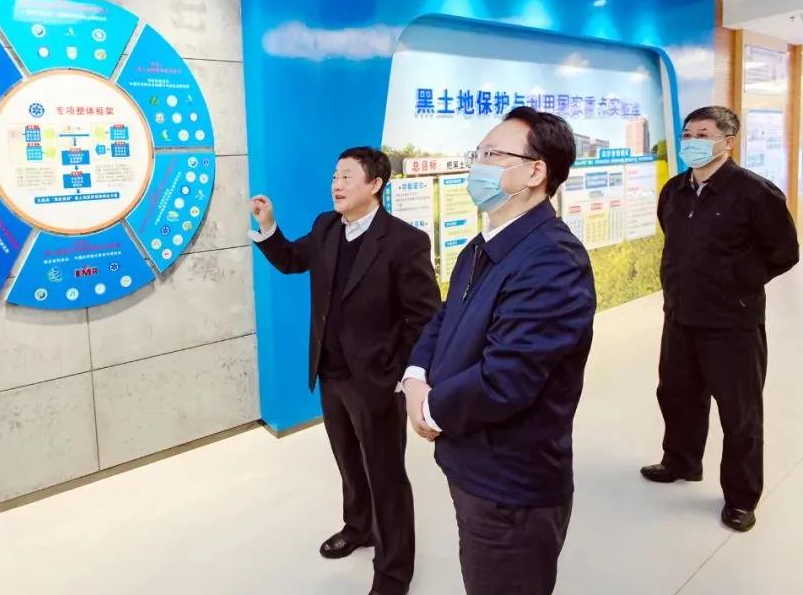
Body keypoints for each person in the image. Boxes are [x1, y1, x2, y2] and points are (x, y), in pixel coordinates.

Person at [403, 107, 596, 595]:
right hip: (473, 462)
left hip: (511, 487)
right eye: (478, 153)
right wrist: (414, 375)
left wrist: (429, 409)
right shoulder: (484, 244)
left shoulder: (552, 261)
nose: (478, 165)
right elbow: (445, 316)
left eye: (492, 154)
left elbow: (506, 378)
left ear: (535, 172)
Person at [249, 146, 440, 595]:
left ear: (375, 184)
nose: (336, 184)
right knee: (349, 463)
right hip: (330, 374)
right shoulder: (326, 226)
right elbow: (291, 260)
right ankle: (358, 528)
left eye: (347, 177)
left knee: (386, 477)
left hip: (377, 381)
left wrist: (400, 374)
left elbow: (425, 317)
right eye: (335, 176)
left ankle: (393, 572)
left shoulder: (404, 242)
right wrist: (269, 228)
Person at [641, 106, 798, 533]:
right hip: (680, 315)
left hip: (733, 324)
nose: (692, 141)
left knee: (740, 413)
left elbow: (785, 252)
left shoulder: (755, 193)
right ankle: (680, 461)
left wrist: (738, 281)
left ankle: (741, 498)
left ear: (727, 142)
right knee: (676, 395)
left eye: (703, 134)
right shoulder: (675, 190)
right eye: (688, 133)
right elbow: (674, 240)